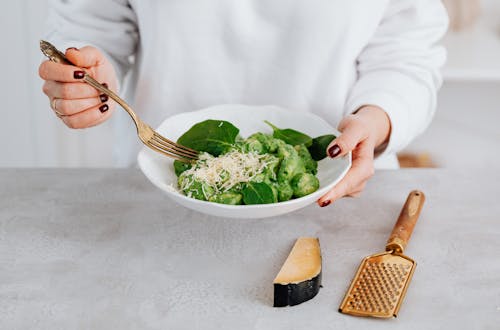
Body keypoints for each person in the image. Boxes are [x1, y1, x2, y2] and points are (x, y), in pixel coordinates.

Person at [38, 1, 448, 207]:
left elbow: (406, 54)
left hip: (339, 197)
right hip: (162, 194)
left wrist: (374, 122)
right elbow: (90, 25)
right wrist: (87, 79)